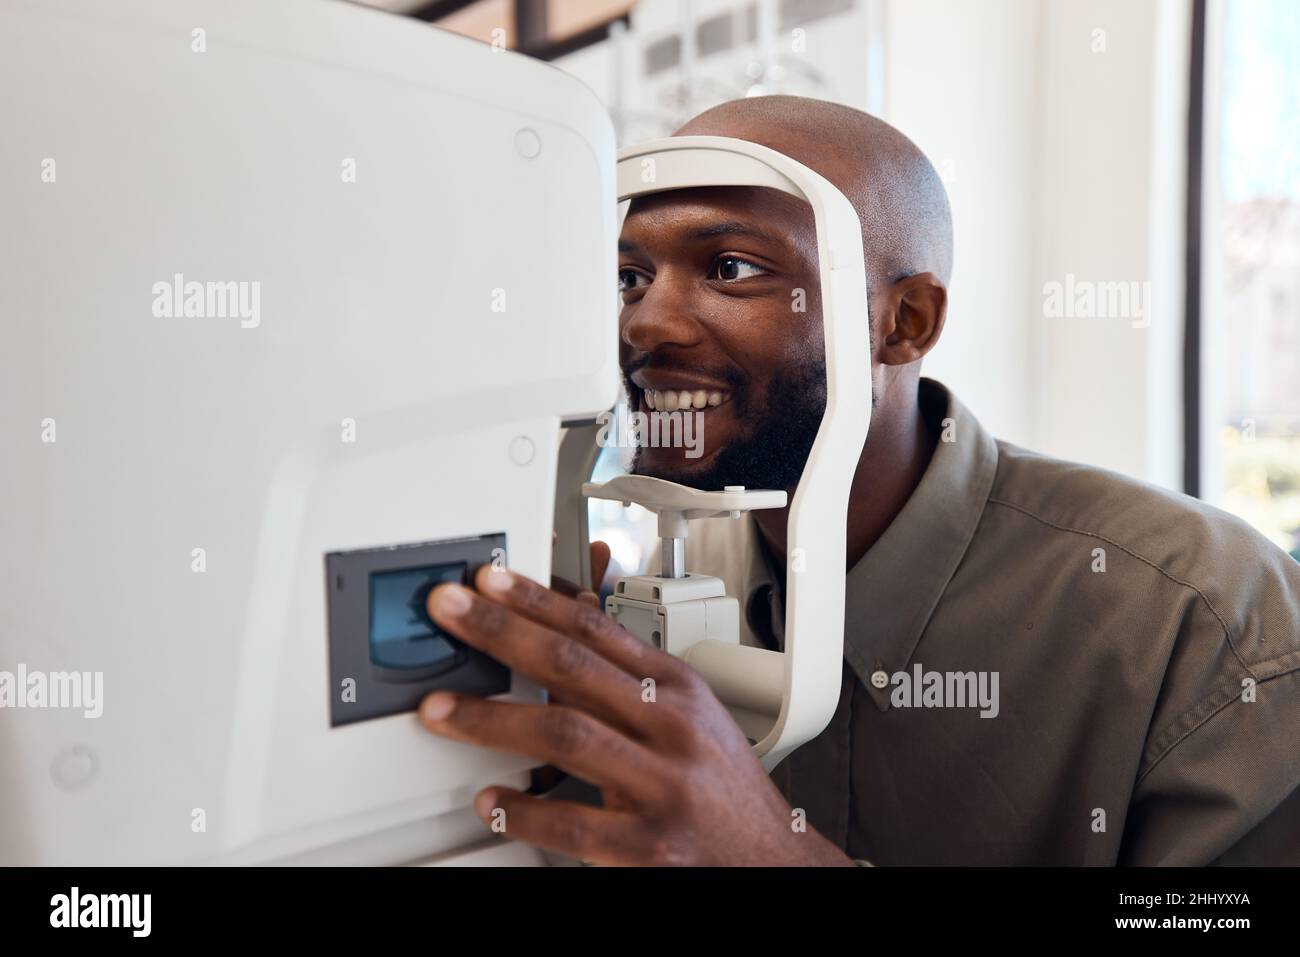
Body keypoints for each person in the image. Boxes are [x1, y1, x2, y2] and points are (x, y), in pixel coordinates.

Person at [417, 95, 1300, 866]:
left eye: (731, 268)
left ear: (904, 322)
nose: (646, 322)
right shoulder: (670, 573)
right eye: (629, 276)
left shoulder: (1204, 616)